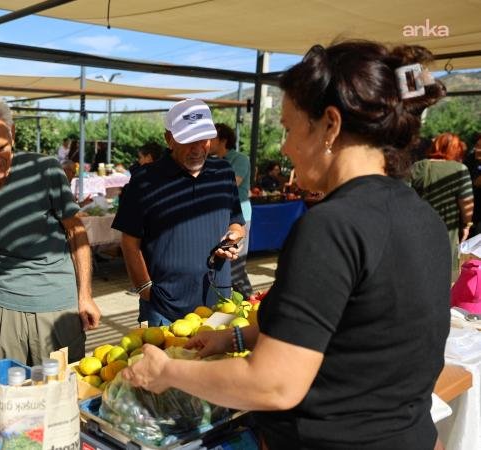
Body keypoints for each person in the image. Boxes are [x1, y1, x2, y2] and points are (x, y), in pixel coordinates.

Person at [122, 40, 449, 450]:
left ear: (330, 125)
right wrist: (234, 338)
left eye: (290, 128)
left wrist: (167, 371)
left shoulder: (330, 227)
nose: (285, 147)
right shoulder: (424, 218)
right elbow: (353, 330)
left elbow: (273, 386)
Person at [0, 95, 101, 365]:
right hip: (2, 308)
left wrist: (85, 296)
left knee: (60, 391)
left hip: (58, 304)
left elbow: (76, 233)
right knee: (12, 392)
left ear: (13, 135)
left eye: (1, 148)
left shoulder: (44, 171)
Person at [112, 99, 245, 325]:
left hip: (218, 301)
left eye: (203, 139)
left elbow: (236, 222)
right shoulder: (145, 180)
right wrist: (146, 289)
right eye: (188, 140)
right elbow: (129, 241)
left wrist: (234, 238)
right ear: (169, 139)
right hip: (164, 307)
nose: (197, 148)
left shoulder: (223, 171)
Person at [411, 132, 473, 280]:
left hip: (415, 228)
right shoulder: (460, 169)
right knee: (444, 272)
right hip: (447, 231)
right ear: (456, 150)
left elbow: (401, 196)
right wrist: (467, 225)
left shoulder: (418, 167)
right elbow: (466, 203)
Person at [209, 123, 253, 296]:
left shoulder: (240, 159)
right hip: (219, 215)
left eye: (212, 138)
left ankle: (251, 302)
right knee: (223, 263)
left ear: (223, 140)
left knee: (236, 265)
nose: (207, 141)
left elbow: (232, 185)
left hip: (240, 216)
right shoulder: (211, 161)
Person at [465, 134, 481, 237]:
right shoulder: (470, 160)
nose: (477, 149)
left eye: (480, 147)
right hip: (470, 210)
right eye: (477, 145)